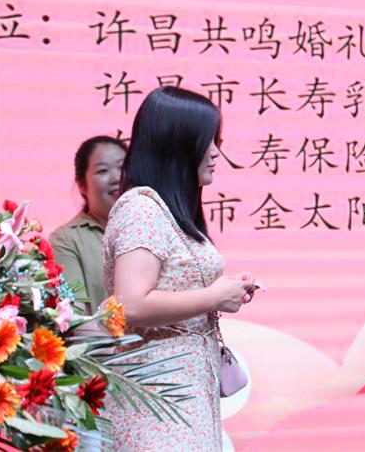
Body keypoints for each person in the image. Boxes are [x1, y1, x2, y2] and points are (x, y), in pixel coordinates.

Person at [102, 86, 257, 451]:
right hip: (157, 395)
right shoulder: (141, 208)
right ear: (177, 144)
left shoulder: (167, 211)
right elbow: (130, 305)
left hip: (184, 394)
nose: (216, 152)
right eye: (208, 141)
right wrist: (214, 296)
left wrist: (225, 291)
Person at [50, 136, 127, 315]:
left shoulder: (156, 227)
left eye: (123, 167)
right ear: (82, 185)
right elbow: (74, 316)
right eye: (103, 170)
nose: (117, 178)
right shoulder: (66, 239)